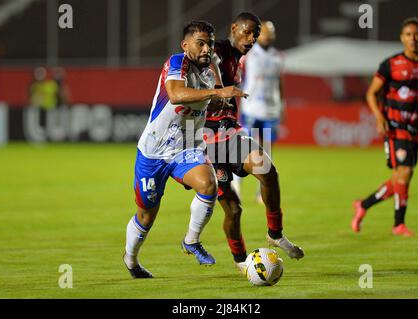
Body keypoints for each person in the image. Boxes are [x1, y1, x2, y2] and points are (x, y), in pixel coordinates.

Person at [123, 20, 248, 278]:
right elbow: (176, 95)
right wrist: (217, 94)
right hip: (154, 151)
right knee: (146, 216)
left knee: (208, 185)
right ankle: (132, 260)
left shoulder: (210, 73)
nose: (206, 49)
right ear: (186, 45)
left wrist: (223, 113)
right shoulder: (177, 63)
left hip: (186, 147)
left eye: (210, 44)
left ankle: (191, 240)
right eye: (200, 43)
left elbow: (209, 105)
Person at [204, 12, 304, 274]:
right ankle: (240, 259)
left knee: (269, 171)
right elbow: (210, 57)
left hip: (230, 132)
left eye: (255, 34)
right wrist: (216, 83)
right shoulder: (220, 49)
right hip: (204, 140)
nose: (251, 38)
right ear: (234, 27)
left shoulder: (241, 58)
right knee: (234, 210)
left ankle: (275, 233)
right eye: (247, 32)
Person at [352, 17, 418, 236]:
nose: (413, 38)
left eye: (416, 34)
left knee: (401, 178)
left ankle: (363, 205)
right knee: (405, 172)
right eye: (408, 34)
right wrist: (378, 116)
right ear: (402, 38)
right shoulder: (390, 65)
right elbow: (371, 93)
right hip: (394, 126)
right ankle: (398, 224)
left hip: (416, 129)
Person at [233, 20, 286, 202]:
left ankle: (261, 191)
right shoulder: (247, 54)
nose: (269, 35)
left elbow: (280, 82)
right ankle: (236, 186)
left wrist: (282, 105)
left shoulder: (278, 57)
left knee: (267, 150)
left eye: (271, 32)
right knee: (244, 148)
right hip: (251, 109)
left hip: (270, 110)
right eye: (265, 32)